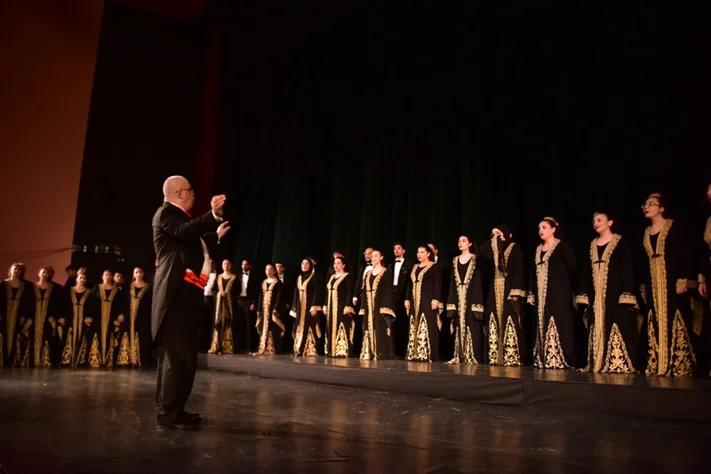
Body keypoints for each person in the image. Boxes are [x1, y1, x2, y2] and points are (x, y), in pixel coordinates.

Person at [152, 175, 230, 427]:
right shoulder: (166, 214)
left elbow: (192, 244)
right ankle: (167, 412)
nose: (193, 194)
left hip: (187, 296)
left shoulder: (180, 220)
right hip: (175, 296)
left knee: (185, 357)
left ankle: (176, 408)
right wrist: (211, 214)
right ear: (179, 193)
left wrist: (215, 234)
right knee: (175, 357)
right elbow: (185, 232)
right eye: (190, 190)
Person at [640, 193, 697, 376]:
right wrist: (644, 286)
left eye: (651, 204)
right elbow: (644, 261)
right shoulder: (646, 233)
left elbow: (684, 254)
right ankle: (658, 363)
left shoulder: (673, 227)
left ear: (661, 208)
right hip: (654, 284)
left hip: (672, 281)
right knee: (655, 319)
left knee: (676, 317)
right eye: (645, 205)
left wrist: (683, 280)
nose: (647, 207)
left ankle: (679, 364)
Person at [576, 212, 640, 373]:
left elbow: (626, 268)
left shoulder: (620, 242)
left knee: (615, 323)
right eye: (594, 221)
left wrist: (626, 293)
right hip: (596, 294)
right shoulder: (592, 244)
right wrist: (584, 294)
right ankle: (597, 361)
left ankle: (616, 362)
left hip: (614, 292)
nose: (595, 223)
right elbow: (586, 270)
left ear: (610, 222)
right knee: (596, 324)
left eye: (599, 220)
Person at [527, 217, 578, 369]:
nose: (541, 231)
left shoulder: (562, 246)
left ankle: (563, 358)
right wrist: (531, 293)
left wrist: (564, 286)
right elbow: (532, 273)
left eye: (544, 227)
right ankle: (544, 357)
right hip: (541, 294)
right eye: (539, 228)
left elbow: (572, 268)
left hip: (558, 293)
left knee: (560, 322)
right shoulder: (537, 250)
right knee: (542, 321)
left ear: (553, 229)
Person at [478, 225, 526, 366]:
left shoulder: (514, 248)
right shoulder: (491, 251)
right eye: (493, 234)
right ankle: (495, 356)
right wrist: (495, 242)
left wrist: (516, 291)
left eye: (499, 234)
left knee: (509, 319)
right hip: (494, 289)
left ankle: (511, 356)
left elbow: (519, 269)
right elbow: (481, 250)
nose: (496, 237)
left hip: (509, 289)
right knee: (493, 319)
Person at [445, 235, 485, 365]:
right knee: (458, 325)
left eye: (463, 241)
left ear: (470, 244)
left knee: (471, 324)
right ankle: (459, 354)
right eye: (459, 241)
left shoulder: (475, 260)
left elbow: (478, 281)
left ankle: (471, 355)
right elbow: (452, 282)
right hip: (458, 297)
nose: (460, 243)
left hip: (471, 297)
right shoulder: (455, 260)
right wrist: (451, 302)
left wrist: (477, 302)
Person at [405, 245, 442, 362]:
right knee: (413, 323)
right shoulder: (415, 267)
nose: (419, 255)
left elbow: (438, 284)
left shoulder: (434, 267)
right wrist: (407, 299)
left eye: (422, 252)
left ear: (428, 254)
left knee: (427, 324)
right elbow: (409, 284)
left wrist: (436, 299)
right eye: (418, 252)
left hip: (428, 299)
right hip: (414, 300)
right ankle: (414, 352)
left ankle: (426, 353)